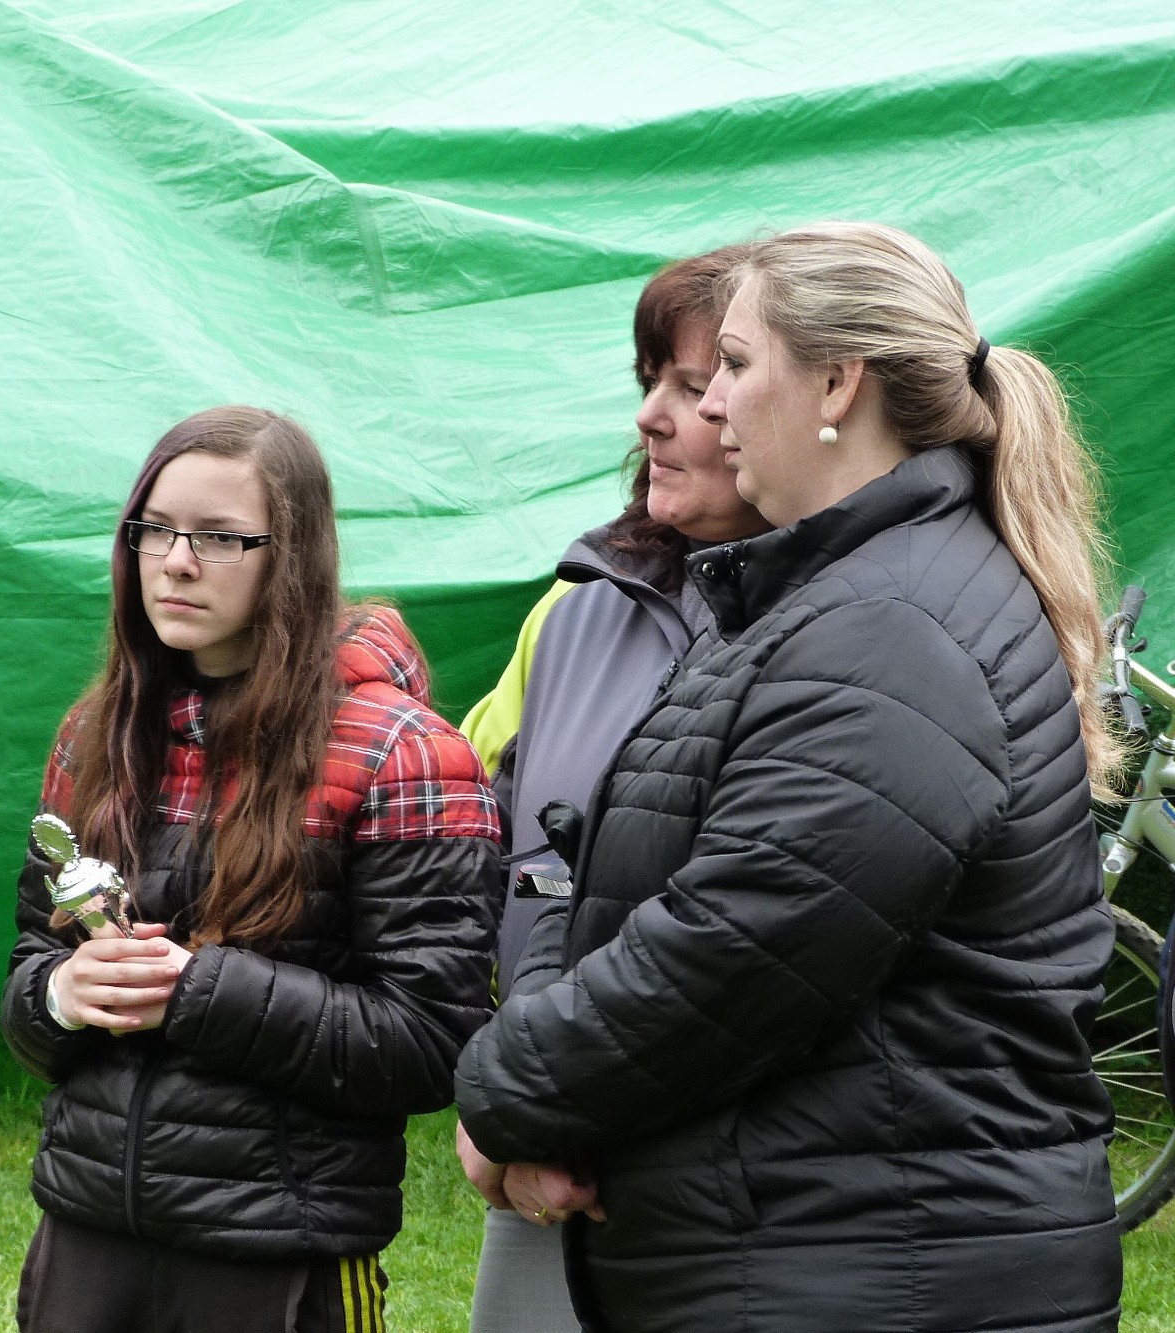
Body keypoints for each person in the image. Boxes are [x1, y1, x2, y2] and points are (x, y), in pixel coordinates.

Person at [455, 222, 1124, 1333]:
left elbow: (734, 951)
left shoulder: (892, 630)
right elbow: (618, 882)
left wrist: (505, 1093)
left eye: (731, 363)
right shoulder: (824, 598)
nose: (709, 405)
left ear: (836, 382)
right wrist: (535, 1063)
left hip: (876, 1279)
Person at [0, 406, 503, 1333]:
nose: (176, 561)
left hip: (278, 1256)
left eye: (221, 537)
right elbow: (31, 977)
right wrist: (66, 995)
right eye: (155, 529)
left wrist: (195, 991)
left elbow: (432, 1041)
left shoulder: (402, 754)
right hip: (85, 1240)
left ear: (293, 556)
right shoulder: (98, 732)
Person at [455, 247, 769, 1333]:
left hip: (744, 1190)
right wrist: (513, 1101)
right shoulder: (578, 607)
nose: (652, 416)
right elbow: (491, 858)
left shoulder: (851, 622)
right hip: (548, 1167)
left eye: (695, 385)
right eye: (651, 381)